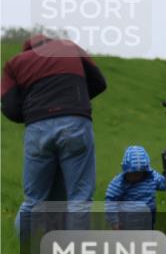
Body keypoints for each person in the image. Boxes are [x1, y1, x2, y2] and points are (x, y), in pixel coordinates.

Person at [1, 34, 107, 238]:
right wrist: (75, 102)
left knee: (33, 200)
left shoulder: (14, 63)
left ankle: (22, 250)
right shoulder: (70, 48)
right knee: (80, 199)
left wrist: (34, 112)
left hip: (38, 129)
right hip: (75, 124)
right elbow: (99, 82)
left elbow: (10, 107)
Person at [105, 145, 166, 229]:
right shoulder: (120, 182)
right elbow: (110, 201)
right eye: (132, 174)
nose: (135, 177)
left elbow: (165, 184)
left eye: (138, 174)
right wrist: (114, 222)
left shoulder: (151, 177)